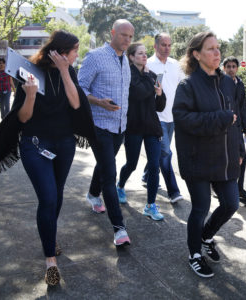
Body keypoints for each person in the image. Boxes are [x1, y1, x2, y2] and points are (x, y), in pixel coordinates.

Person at [0, 30, 96, 286]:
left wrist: (65, 71)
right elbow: (23, 118)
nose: (77, 55)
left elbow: (76, 104)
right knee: (48, 197)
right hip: (35, 144)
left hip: (64, 144)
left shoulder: (69, 72)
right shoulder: (29, 72)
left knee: (58, 194)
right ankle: (50, 262)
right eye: (74, 51)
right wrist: (30, 95)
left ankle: (49, 236)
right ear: (61, 52)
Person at [173, 32, 242, 278]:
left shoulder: (227, 82)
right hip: (198, 159)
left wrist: (240, 151)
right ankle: (194, 254)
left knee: (231, 203)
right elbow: (183, 120)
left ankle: (207, 235)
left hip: (225, 158)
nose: (217, 52)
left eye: (218, 47)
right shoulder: (188, 85)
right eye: (210, 48)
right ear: (196, 54)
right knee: (200, 208)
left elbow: (236, 118)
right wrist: (220, 119)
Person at [78, 19, 134, 246]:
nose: (127, 40)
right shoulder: (95, 56)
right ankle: (119, 229)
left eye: (130, 37)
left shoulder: (126, 61)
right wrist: (98, 102)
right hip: (99, 124)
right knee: (110, 176)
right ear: (112, 33)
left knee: (105, 164)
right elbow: (79, 88)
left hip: (120, 125)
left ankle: (92, 194)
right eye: (123, 35)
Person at [116, 42, 166, 220]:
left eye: (145, 53)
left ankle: (151, 205)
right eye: (140, 54)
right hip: (134, 126)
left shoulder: (153, 75)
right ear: (131, 57)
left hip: (152, 127)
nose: (144, 56)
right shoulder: (127, 74)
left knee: (154, 166)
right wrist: (148, 81)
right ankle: (120, 185)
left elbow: (160, 106)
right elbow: (138, 93)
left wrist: (160, 94)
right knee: (132, 163)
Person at [142, 33, 185, 204]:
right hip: (155, 117)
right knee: (166, 152)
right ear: (155, 46)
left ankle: (146, 175)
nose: (166, 48)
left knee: (160, 152)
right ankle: (173, 191)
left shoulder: (176, 65)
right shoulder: (148, 64)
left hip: (172, 117)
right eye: (163, 45)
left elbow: (183, 87)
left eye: (169, 45)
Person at [223, 56, 246, 201]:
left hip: (238, 127)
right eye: (228, 66)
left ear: (237, 68)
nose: (231, 69)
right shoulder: (220, 83)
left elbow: (243, 107)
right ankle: (219, 188)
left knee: (243, 158)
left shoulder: (240, 84)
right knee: (225, 159)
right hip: (224, 127)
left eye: (233, 66)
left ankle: (239, 189)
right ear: (224, 68)